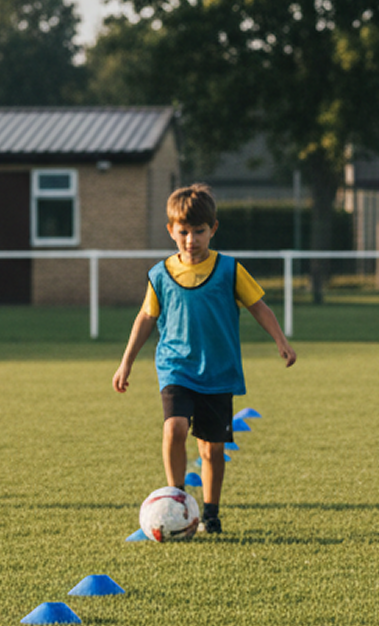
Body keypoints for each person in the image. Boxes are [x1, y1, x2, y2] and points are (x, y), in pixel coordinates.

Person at [112, 184, 296, 534]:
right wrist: (126, 362)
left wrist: (281, 341)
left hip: (217, 371)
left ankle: (210, 513)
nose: (191, 239)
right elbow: (145, 319)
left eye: (199, 231)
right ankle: (176, 499)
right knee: (174, 427)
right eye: (183, 231)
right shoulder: (160, 275)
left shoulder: (229, 270)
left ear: (213, 229)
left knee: (211, 449)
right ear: (171, 231)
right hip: (176, 367)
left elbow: (259, 307)